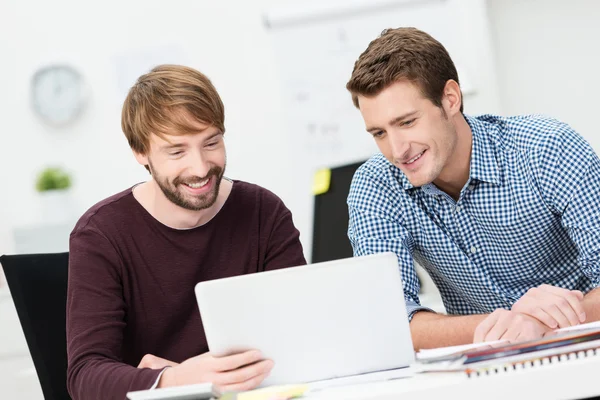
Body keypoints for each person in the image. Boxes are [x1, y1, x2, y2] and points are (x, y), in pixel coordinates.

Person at [345, 27, 600, 350]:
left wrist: (538, 324)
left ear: (450, 99)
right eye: (379, 133)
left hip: (584, 352)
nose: (397, 150)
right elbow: (389, 319)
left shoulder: (546, 148)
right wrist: (514, 326)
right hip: (482, 372)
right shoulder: (377, 186)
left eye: (407, 122)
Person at [66, 65, 306, 400]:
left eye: (211, 142)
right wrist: (174, 379)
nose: (201, 168)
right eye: (177, 151)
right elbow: (85, 376)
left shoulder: (264, 212)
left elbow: (303, 336)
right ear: (140, 152)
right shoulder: (100, 235)